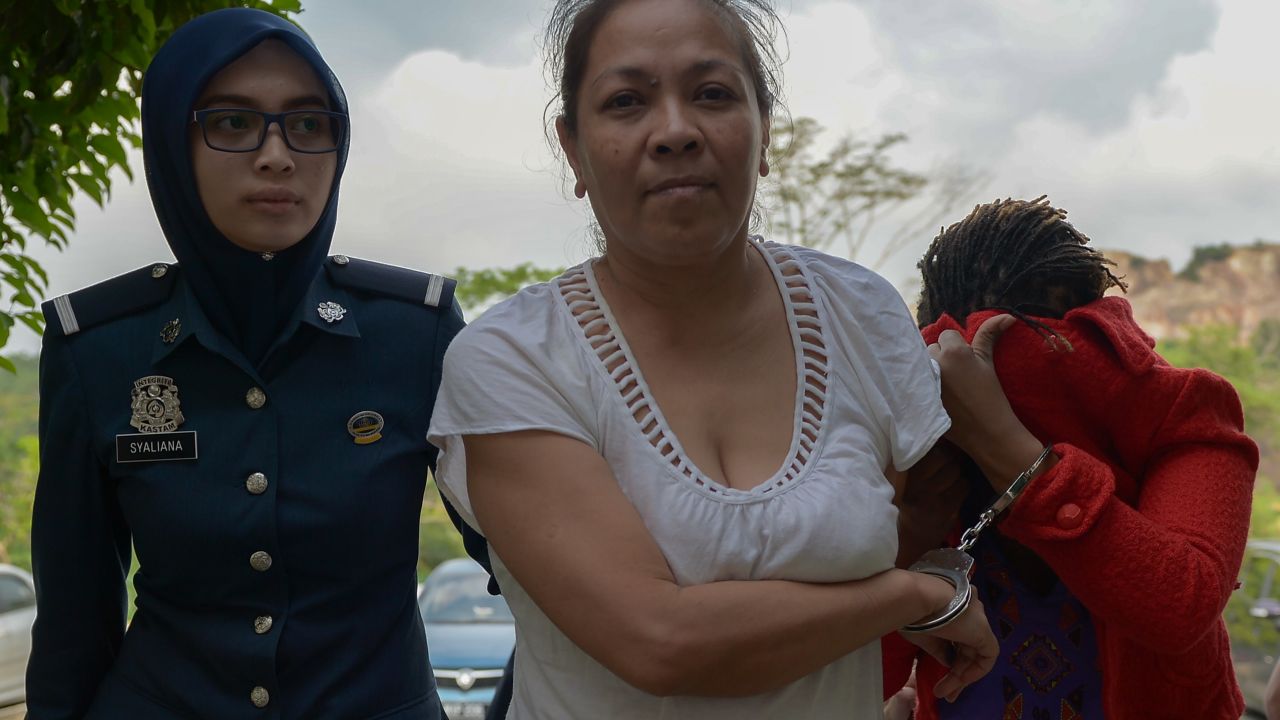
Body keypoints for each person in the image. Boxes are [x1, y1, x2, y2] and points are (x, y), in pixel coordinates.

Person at [426, 0, 998, 717]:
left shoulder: (863, 316)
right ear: (573, 149)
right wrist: (923, 595)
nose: (674, 131)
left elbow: (889, 539)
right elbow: (660, 644)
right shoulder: (515, 359)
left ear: (763, 132)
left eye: (713, 94)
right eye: (627, 101)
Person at [26, 9, 462, 719]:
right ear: (173, 143)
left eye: (309, 124)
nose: (277, 155)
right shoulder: (100, 347)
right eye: (232, 123)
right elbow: (75, 621)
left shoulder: (413, 333)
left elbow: (529, 572)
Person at [884, 196, 1259, 719]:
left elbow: (1180, 605)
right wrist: (913, 531)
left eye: (1045, 359)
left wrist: (1005, 446)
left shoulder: (1185, 417)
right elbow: (852, 669)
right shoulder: (920, 441)